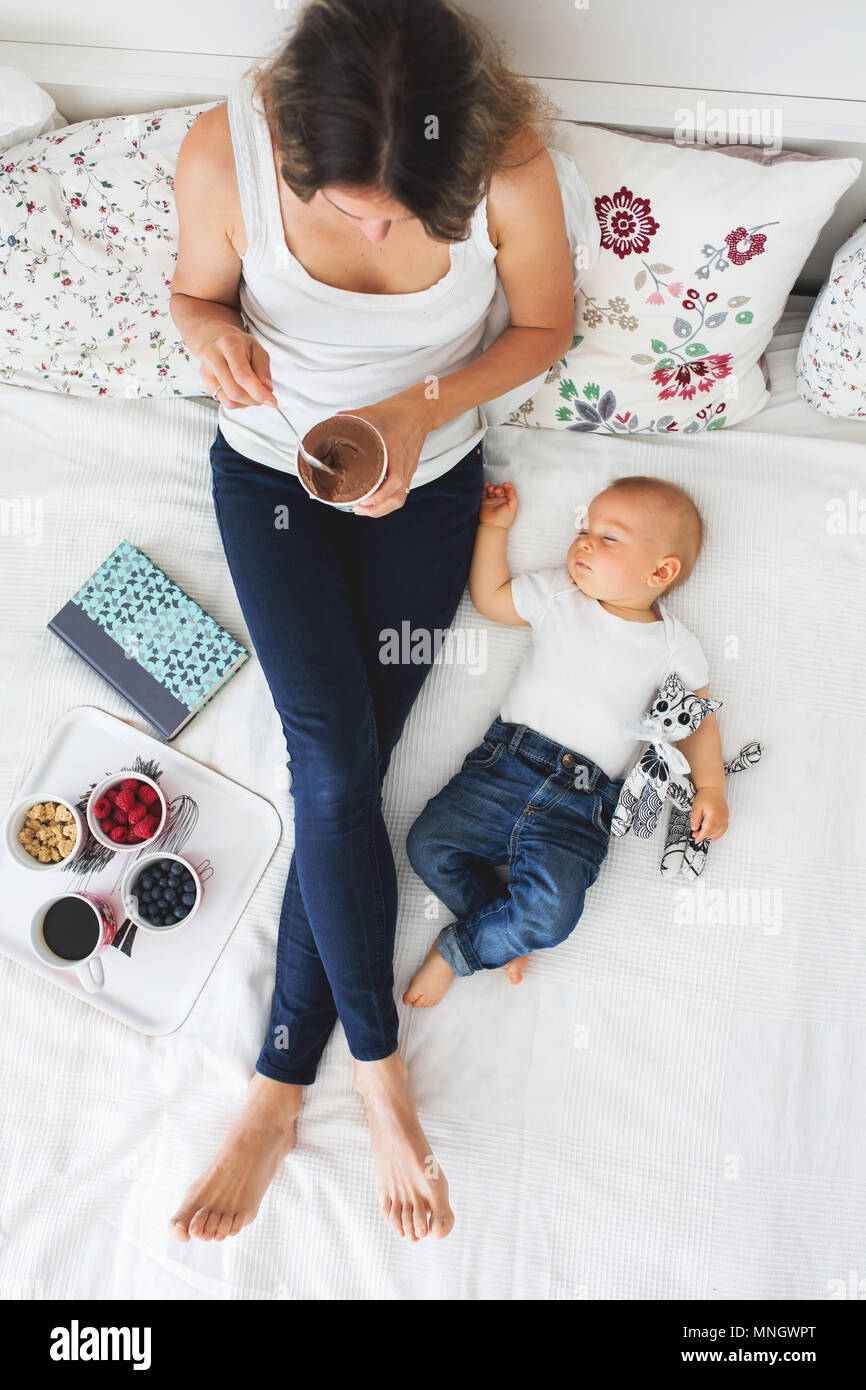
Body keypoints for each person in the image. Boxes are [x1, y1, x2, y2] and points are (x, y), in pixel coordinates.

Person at [166, 0, 579, 1243]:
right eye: (352, 206)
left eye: (413, 212)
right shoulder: (220, 150)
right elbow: (193, 298)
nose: (386, 226)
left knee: (346, 774)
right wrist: (209, 329)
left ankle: (279, 1086)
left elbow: (543, 327)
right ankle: (372, 1073)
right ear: (292, 144)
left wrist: (421, 406)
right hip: (269, 476)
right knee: (334, 760)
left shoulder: (504, 164)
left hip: (431, 479)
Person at [405, 475, 729, 1004]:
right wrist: (494, 529)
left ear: (661, 571)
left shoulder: (676, 647)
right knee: (429, 845)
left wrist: (710, 787)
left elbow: (696, 721)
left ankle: (458, 950)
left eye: (609, 537)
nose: (584, 541)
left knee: (552, 916)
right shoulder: (559, 593)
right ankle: (501, 933)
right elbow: (491, 598)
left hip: (583, 805)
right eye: (585, 528)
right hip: (505, 766)